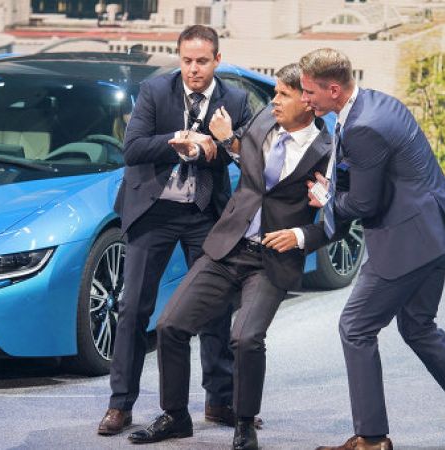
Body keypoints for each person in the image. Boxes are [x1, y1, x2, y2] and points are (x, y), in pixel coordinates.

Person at [128, 64, 338, 450]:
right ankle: (175, 416)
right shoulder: (263, 120)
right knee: (170, 325)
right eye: (274, 93)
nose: (274, 101)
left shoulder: (329, 151)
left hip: (272, 258)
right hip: (228, 246)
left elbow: (340, 218)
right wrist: (221, 140)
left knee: (246, 338)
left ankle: (243, 423)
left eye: (283, 94)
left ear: (307, 101)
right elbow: (240, 151)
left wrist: (300, 235)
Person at [299, 48, 445, 450]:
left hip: (409, 243)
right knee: (419, 327)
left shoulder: (363, 127)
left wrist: (326, 200)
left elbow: (365, 204)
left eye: (309, 91)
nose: (305, 99)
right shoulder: (376, 103)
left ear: (333, 90)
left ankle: (371, 438)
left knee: (355, 327)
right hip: (441, 230)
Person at [97, 25, 253, 436]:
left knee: (215, 307)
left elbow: (245, 154)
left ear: (217, 60)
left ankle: (219, 400)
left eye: (201, 61)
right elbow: (133, 149)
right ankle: (120, 404)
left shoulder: (235, 100)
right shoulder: (155, 91)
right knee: (134, 308)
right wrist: (178, 141)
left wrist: (212, 148)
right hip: (154, 210)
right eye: (186, 61)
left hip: (203, 213)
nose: (193, 69)